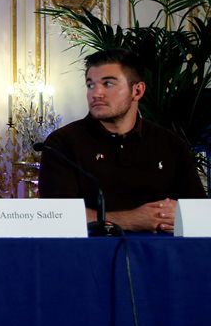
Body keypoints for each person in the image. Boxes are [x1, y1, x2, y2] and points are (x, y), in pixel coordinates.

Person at [38, 48, 206, 232]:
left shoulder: (170, 144)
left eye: (108, 83)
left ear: (137, 91)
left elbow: (200, 213)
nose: (96, 93)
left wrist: (180, 215)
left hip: (161, 254)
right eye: (90, 85)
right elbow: (55, 216)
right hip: (88, 255)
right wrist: (131, 219)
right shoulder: (62, 143)